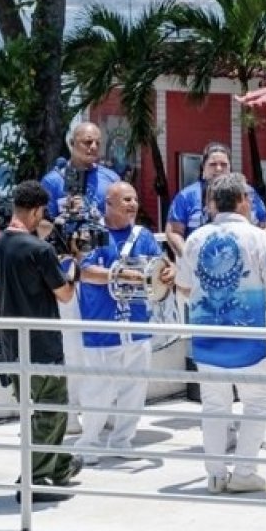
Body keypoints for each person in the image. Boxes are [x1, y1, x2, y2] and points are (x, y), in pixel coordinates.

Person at [175, 173, 266, 494]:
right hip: (248, 338)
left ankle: (214, 474)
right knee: (256, 403)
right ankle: (244, 472)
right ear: (241, 201)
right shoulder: (259, 238)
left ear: (213, 203)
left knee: (214, 406)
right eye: (249, 199)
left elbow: (182, 286)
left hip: (206, 336)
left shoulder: (196, 239)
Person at [0, 180, 83, 503]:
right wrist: (74, 268)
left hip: (11, 345)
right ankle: (36, 478)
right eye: (42, 212)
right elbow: (65, 293)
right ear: (34, 211)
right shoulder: (40, 250)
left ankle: (59, 466)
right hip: (42, 345)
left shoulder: (0, 244)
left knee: (39, 410)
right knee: (52, 410)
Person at [74, 182, 174, 464]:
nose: (132, 204)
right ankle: (88, 443)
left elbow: (161, 263)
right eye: (126, 200)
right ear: (109, 202)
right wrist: (123, 276)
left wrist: (169, 271)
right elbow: (86, 271)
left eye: (134, 199)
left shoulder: (143, 235)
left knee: (134, 388)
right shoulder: (92, 233)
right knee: (98, 389)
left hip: (137, 325)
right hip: (102, 325)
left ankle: (122, 440)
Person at [40, 121, 119, 434]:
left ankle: (107, 408)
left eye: (97, 142)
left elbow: (120, 219)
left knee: (105, 343)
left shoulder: (110, 179)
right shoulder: (53, 181)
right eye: (86, 142)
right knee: (71, 345)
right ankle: (72, 412)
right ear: (71, 144)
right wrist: (64, 234)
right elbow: (40, 223)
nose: (93, 148)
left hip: (102, 272)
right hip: (68, 272)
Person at [165, 141, 266, 258]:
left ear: (230, 167)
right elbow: (173, 232)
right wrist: (189, 259)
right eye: (213, 164)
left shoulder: (248, 193)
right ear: (203, 167)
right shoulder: (185, 197)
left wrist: (262, 253)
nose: (219, 169)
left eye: (224, 164)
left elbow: (263, 227)